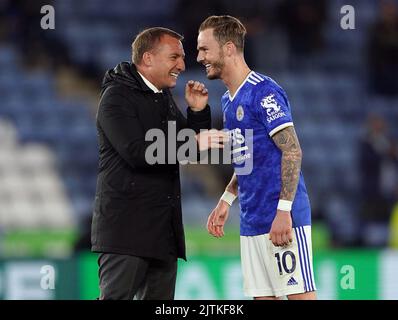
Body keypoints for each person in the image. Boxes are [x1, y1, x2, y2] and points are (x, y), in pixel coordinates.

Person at [91, 27, 227, 300]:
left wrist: (198, 112)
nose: (182, 65)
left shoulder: (160, 96)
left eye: (182, 58)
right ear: (149, 58)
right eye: (174, 57)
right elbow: (137, 152)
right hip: (126, 231)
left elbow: (191, 150)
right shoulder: (116, 98)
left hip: (162, 230)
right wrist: (192, 144)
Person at [197, 16, 316, 299]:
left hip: (282, 217)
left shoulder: (264, 92)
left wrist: (284, 211)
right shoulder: (228, 101)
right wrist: (227, 199)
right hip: (252, 221)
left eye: (204, 49)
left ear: (228, 49)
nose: (199, 56)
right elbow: (247, 158)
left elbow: (292, 149)